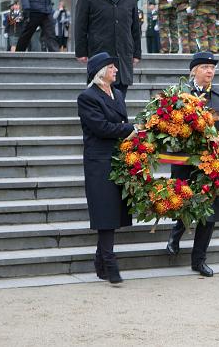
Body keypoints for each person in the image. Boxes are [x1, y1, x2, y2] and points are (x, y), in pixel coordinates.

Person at [165, 51, 219, 277]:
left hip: (211, 162)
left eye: (212, 67)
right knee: (183, 202)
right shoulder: (179, 94)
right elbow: (166, 124)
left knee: (210, 211)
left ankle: (199, 259)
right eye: (205, 67)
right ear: (194, 70)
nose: (210, 71)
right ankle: (175, 234)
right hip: (184, 160)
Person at [77, 52, 136, 284]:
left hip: (117, 157)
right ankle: (109, 262)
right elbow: (100, 127)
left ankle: (101, 260)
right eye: (112, 67)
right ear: (101, 71)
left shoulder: (118, 94)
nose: (116, 70)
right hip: (98, 161)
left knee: (115, 210)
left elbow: (120, 123)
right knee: (105, 212)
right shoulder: (87, 97)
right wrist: (129, 129)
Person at [75, 0, 142, 98]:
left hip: (123, 54)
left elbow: (135, 26)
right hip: (99, 52)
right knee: (100, 96)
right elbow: (81, 25)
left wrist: (137, 52)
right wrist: (81, 51)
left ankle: (118, 120)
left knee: (120, 97)